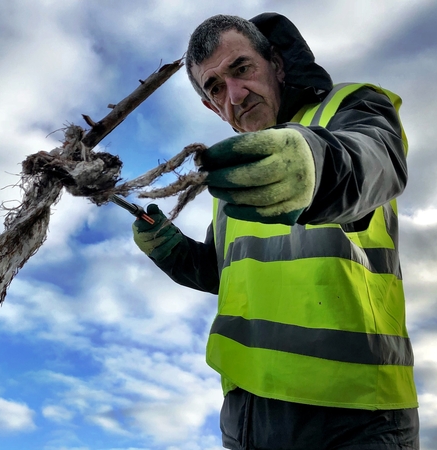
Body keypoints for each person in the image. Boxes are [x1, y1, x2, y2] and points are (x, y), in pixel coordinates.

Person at [132, 13, 419, 450]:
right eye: (215, 87)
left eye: (242, 69)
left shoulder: (347, 108)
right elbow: (221, 274)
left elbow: (377, 159)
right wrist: (169, 249)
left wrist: (317, 164)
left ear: (277, 65)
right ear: (211, 107)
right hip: (248, 411)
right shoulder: (235, 180)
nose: (235, 94)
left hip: (356, 408)